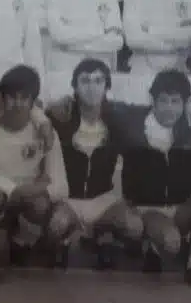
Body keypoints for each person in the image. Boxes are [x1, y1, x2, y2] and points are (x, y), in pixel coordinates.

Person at [117, 69, 191, 289]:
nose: (169, 108)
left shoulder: (190, 128)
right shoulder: (136, 126)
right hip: (148, 209)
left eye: (175, 101)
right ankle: (151, 246)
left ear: (184, 104)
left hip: (179, 208)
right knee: (171, 243)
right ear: (153, 100)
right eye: (163, 101)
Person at [0, 65, 71, 280]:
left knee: (41, 204)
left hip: (27, 200)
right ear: (2, 99)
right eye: (12, 97)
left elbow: (60, 185)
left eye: (24, 98)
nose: (18, 104)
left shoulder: (46, 134)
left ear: (33, 102)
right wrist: (9, 187)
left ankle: (22, 242)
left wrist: (37, 190)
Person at [44, 59, 137, 270]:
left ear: (107, 86)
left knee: (134, 226)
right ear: (75, 86)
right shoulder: (61, 116)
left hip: (103, 198)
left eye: (98, 81)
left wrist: (188, 106)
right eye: (85, 81)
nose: (92, 87)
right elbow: (36, 111)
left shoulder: (117, 118)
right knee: (56, 226)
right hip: (68, 199)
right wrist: (50, 106)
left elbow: (150, 110)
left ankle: (100, 233)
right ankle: (67, 237)